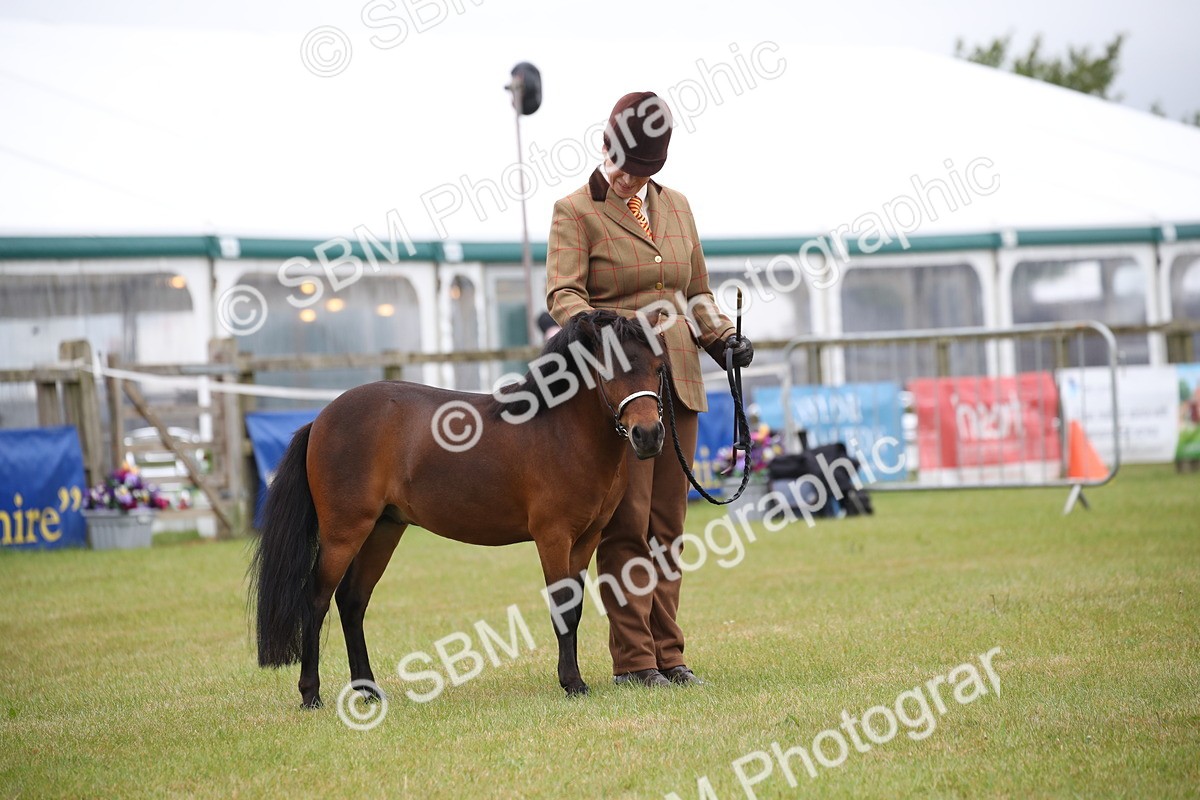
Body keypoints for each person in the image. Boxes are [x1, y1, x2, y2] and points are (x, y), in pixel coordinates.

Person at [545, 91, 754, 687]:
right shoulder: (575, 211)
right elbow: (563, 294)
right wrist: (605, 333)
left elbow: (697, 291)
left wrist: (722, 338)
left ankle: (670, 654)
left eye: (644, 170)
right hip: (619, 391)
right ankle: (635, 661)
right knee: (626, 526)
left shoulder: (678, 207)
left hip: (677, 381)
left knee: (668, 527)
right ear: (605, 146)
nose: (632, 179)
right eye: (626, 165)